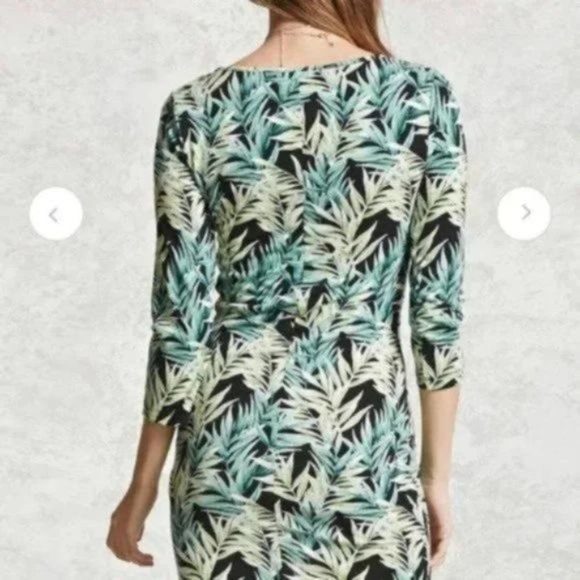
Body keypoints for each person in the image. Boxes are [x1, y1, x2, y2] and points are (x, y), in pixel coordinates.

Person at [106, 1, 468, 578]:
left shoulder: (196, 108)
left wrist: (143, 483)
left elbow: (180, 319)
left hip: (228, 452)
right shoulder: (420, 98)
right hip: (364, 452)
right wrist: (435, 478)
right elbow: (437, 313)